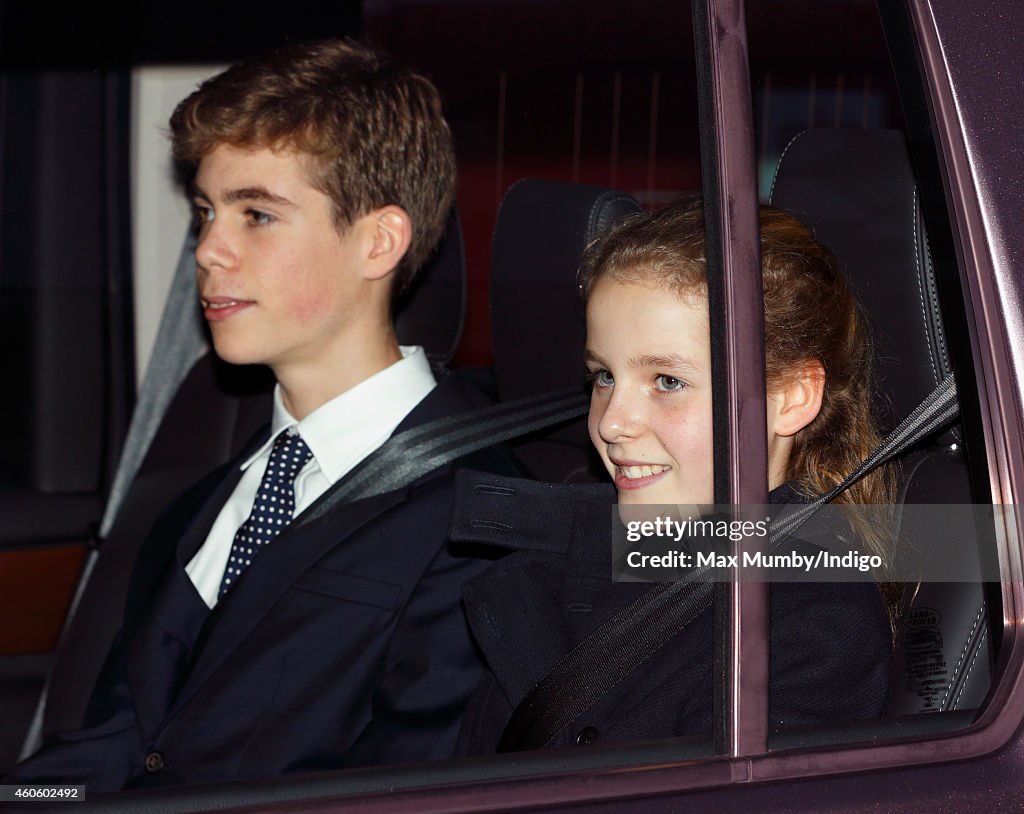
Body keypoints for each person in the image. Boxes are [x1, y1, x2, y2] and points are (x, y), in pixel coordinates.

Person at [8, 39, 515, 791]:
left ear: (379, 241)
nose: (209, 249)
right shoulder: (202, 504)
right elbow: (114, 752)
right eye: (207, 212)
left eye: (257, 214)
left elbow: (412, 791)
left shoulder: (478, 519)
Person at [451, 200, 896, 753]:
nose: (611, 422)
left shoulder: (813, 633)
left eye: (666, 381)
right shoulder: (572, 561)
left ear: (791, 398)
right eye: (604, 376)